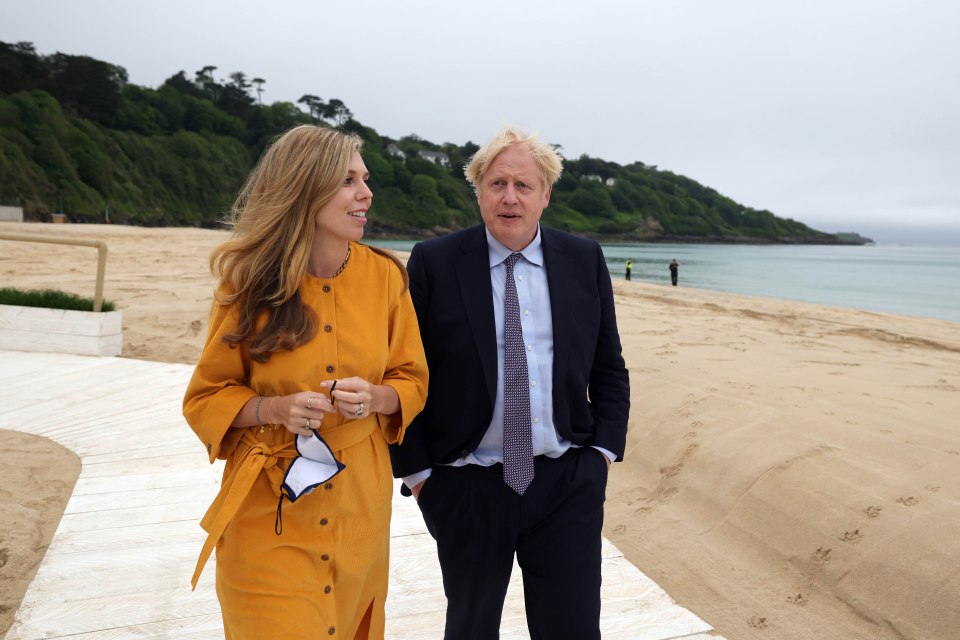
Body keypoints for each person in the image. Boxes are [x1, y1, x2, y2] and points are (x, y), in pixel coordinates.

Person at [182, 124, 428, 639]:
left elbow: (412, 380)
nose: (367, 193)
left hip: (360, 503)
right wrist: (272, 410)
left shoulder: (386, 277)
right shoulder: (248, 282)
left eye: (365, 178)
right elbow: (206, 397)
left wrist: (377, 398)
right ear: (304, 188)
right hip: (267, 507)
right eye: (348, 181)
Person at [390, 127, 630, 639]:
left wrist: (602, 454)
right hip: (465, 483)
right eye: (496, 183)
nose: (510, 197)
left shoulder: (583, 259)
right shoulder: (433, 262)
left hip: (567, 481)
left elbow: (609, 368)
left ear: (546, 195)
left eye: (524, 185)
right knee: (471, 630)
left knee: (572, 629)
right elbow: (402, 370)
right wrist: (419, 476)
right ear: (477, 191)